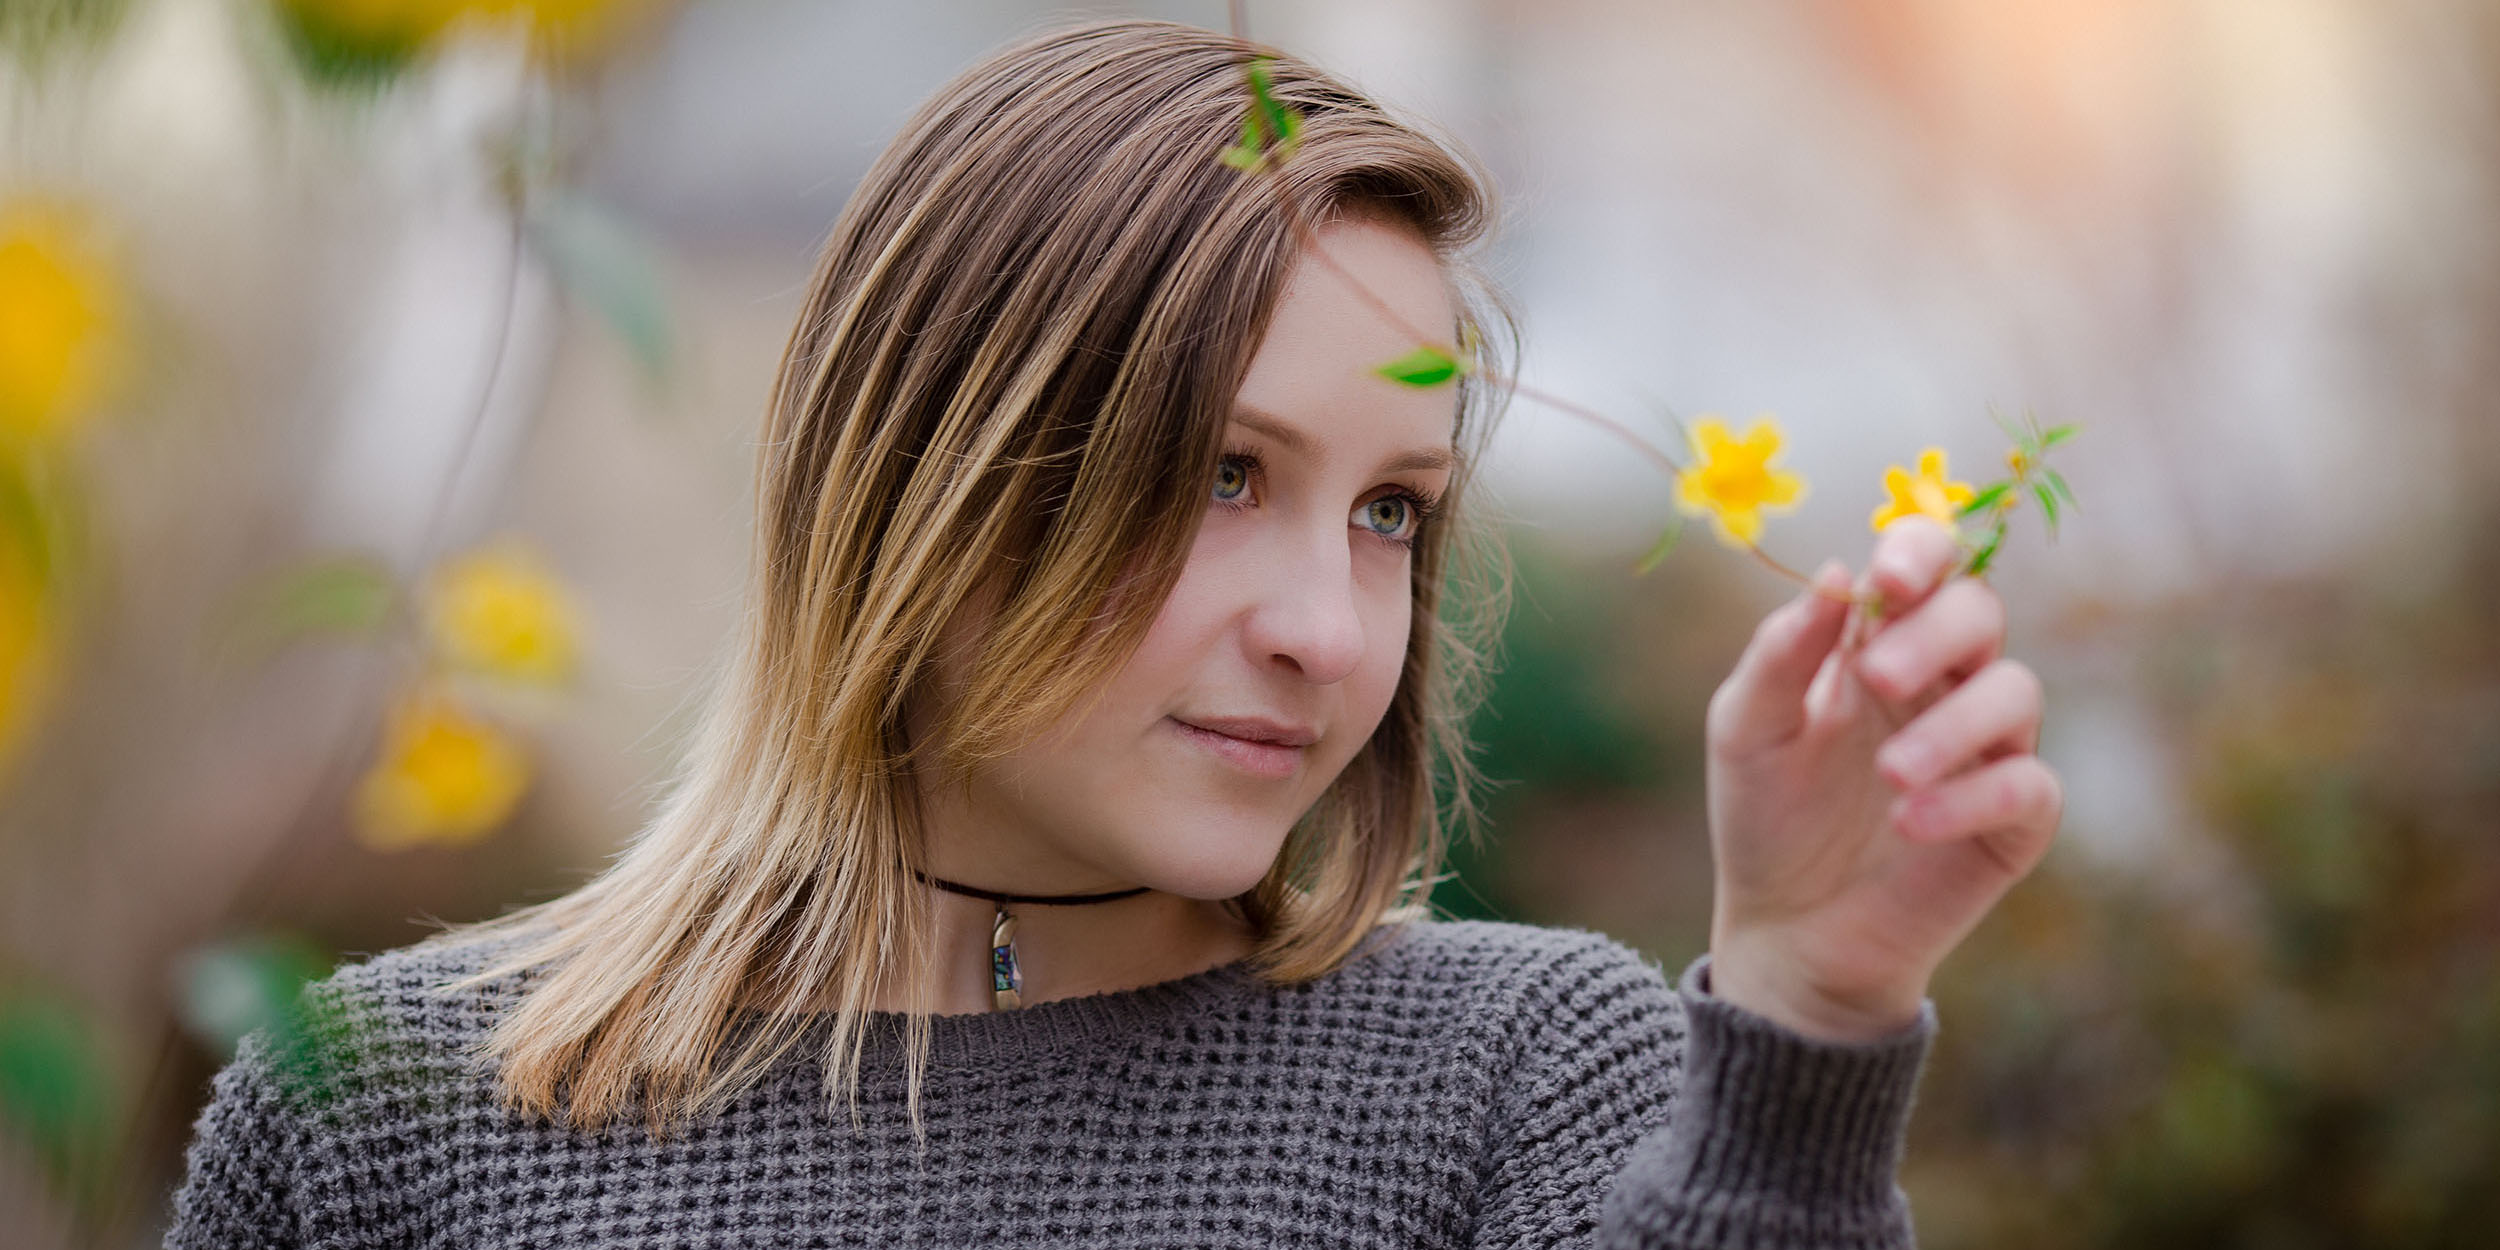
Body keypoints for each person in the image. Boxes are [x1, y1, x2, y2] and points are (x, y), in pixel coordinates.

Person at [164, 18, 2060, 1249]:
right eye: (1223, 472)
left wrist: (1809, 1015)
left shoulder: (1528, 1080)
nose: (1329, 628)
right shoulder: (380, 1122)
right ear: (925, 477)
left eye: (1389, 509)